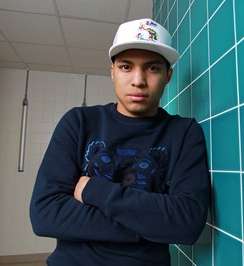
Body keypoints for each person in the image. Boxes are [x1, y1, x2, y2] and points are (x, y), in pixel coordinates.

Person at [29, 18, 210, 266]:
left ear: (168, 76)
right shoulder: (79, 122)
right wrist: (153, 224)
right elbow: (45, 215)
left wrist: (94, 190)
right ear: (112, 71)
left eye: (152, 68)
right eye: (126, 67)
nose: (138, 80)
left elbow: (187, 223)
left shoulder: (184, 132)